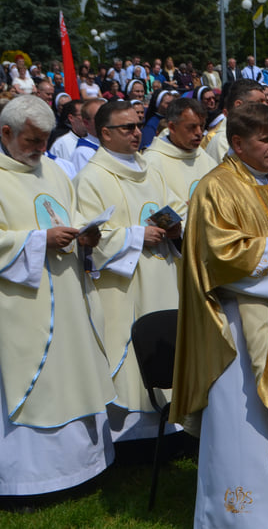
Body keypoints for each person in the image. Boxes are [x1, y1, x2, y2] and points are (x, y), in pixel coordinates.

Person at [170, 102, 268, 528]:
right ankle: (245, 516)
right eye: (264, 140)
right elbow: (215, 256)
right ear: (237, 142)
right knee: (247, 420)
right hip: (243, 328)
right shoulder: (215, 188)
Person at [0, 96, 115, 496]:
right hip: (21, 305)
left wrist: (84, 235)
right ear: (6, 133)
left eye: (45, 139)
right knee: (37, 382)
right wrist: (37, 241)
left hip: (67, 293)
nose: (40, 149)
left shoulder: (54, 170)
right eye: (31, 140)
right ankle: (31, 481)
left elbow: (65, 217)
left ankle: (82, 468)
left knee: (75, 375)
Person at [73, 101, 184, 440]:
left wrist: (174, 227)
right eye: (127, 128)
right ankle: (133, 436)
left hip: (163, 273)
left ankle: (175, 423)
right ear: (105, 133)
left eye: (137, 126)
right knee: (131, 353)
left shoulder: (150, 168)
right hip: (125, 285)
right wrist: (138, 236)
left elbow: (171, 206)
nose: (138, 132)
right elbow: (89, 235)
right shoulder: (91, 178)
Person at [142, 98, 217, 219]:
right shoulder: (152, 161)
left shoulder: (204, 157)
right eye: (192, 127)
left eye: (202, 126)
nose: (199, 132)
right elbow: (154, 209)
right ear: (172, 127)